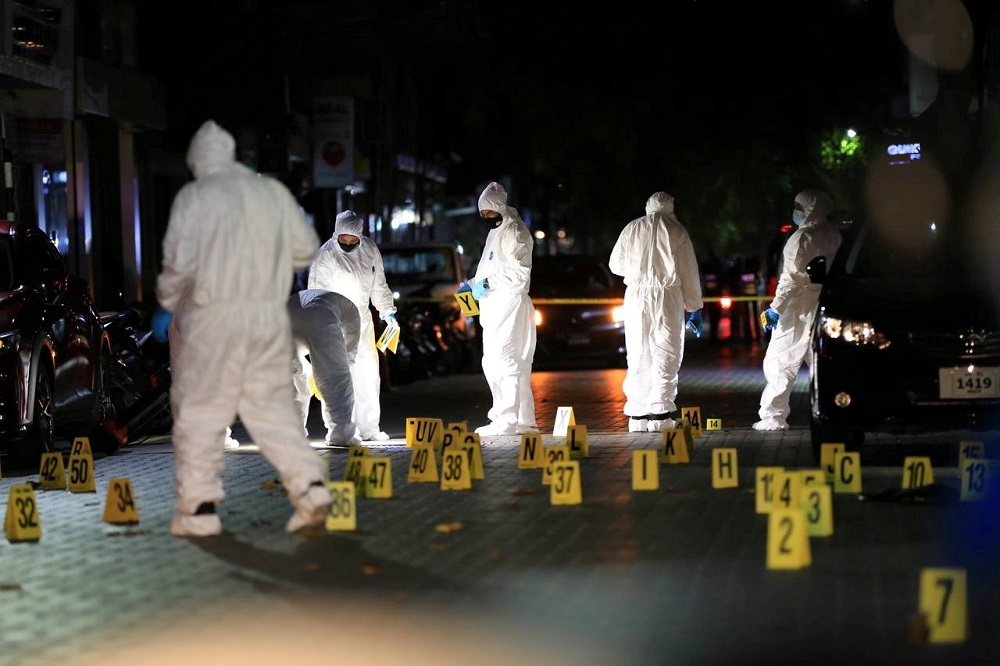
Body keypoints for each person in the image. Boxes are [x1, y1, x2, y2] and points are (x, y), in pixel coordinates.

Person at [152, 119, 332, 537]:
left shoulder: (194, 199)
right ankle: (310, 490)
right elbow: (305, 248)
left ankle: (199, 512)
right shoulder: (268, 193)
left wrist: (167, 308)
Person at [609, 191, 704, 433]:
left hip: (636, 296)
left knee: (638, 352)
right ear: (671, 207)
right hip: (666, 295)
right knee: (667, 351)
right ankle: (660, 413)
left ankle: (637, 415)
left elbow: (615, 265)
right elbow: (688, 272)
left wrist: (638, 268)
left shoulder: (632, 228)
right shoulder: (677, 230)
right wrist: (694, 307)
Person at [753, 189, 843, 431]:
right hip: (825, 303)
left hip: (798, 305)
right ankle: (834, 412)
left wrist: (775, 308)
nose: (795, 212)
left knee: (780, 363)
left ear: (809, 209)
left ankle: (773, 418)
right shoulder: (834, 235)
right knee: (822, 363)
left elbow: (791, 278)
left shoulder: (801, 237)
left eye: (799, 207)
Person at [308, 210, 397, 441]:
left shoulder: (370, 249)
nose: (348, 243)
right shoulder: (326, 255)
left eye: (352, 240)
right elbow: (317, 293)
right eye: (343, 239)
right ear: (336, 234)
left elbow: (379, 284)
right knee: (339, 374)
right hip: (334, 320)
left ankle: (369, 428)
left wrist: (387, 311)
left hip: (363, 319)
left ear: (360, 235)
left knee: (367, 374)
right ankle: (342, 430)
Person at [469, 181, 539, 437]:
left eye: (488, 212)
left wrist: (486, 283)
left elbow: (518, 274)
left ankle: (506, 419)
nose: (485, 218)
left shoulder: (515, 232)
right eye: (482, 214)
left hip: (509, 306)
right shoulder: (496, 233)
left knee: (506, 362)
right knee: (502, 362)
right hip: (495, 308)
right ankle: (524, 420)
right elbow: (491, 270)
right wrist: (473, 285)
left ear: (499, 208)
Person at [288, 288, 362, 446]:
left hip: (283, 318)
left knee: (293, 378)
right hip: (320, 317)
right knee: (336, 378)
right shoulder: (352, 310)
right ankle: (341, 434)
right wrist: (327, 371)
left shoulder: (332, 299)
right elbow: (349, 350)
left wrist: (312, 372)